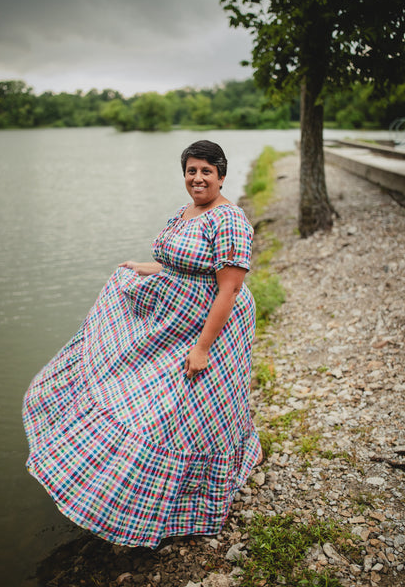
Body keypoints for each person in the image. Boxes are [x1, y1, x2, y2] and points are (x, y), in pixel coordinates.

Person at [22, 139, 262, 548]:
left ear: (222, 175)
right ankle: (132, 501)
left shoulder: (230, 219)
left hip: (211, 328)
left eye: (206, 171)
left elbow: (230, 288)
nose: (198, 178)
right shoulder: (186, 212)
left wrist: (203, 347)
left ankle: (195, 505)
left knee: (190, 412)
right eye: (191, 170)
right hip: (171, 324)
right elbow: (179, 261)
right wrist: (145, 268)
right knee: (146, 402)